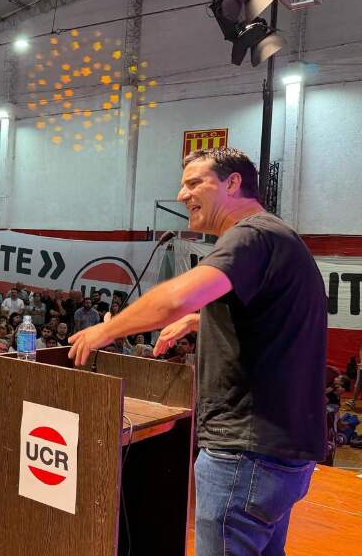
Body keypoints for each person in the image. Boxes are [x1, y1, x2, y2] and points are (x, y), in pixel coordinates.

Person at [68, 148, 326, 556]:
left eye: (193, 183)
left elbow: (175, 299)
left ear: (233, 183)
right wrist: (200, 321)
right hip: (282, 454)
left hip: (244, 454)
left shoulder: (250, 235)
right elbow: (267, 318)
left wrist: (107, 329)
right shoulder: (280, 237)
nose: (181, 194)